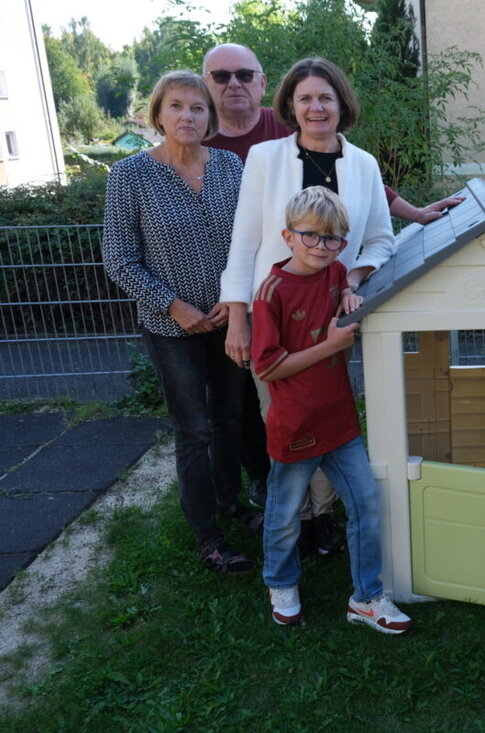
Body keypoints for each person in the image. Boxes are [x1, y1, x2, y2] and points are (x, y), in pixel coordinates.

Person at [220, 56, 396, 559]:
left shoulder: (363, 164)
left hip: (333, 318)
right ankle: (290, 518)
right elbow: (245, 240)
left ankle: (321, 518)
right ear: (290, 107)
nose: (316, 107)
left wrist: (353, 277)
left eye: (325, 97)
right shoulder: (265, 159)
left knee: (329, 413)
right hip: (273, 311)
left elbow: (381, 240)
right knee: (283, 419)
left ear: (341, 104)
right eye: (305, 99)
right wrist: (237, 316)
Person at [102, 70, 261, 574]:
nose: (187, 116)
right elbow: (119, 257)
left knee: (232, 416)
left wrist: (235, 302)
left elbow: (251, 241)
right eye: (176, 106)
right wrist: (174, 305)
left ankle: (231, 503)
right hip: (171, 327)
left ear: (209, 116)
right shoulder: (130, 176)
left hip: (229, 319)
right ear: (158, 114)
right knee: (194, 428)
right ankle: (208, 534)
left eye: (197, 107)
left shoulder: (232, 166)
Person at [252, 185, 411, 633]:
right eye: (311, 236)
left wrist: (349, 289)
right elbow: (268, 366)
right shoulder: (271, 293)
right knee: (284, 516)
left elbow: (345, 278)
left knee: (366, 504)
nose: (322, 247)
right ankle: (280, 583)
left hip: (340, 423)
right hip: (295, 427)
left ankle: (366, 596)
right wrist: (331, 345)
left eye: (333, 238)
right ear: (288, 236)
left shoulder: (336, 270)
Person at [202, 43, 292, 511]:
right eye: (220, 76)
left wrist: (412, 212)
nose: (233, 84)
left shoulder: (286, 129)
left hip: (286, 287)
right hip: (225, 295)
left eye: (243, 74)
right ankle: (259, 478)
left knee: (288, 388)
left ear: (262, 82)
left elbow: (342, 173)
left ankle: (306, 482)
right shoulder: (199, 141)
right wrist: (227, 296)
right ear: (207, 85)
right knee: (236, 401)